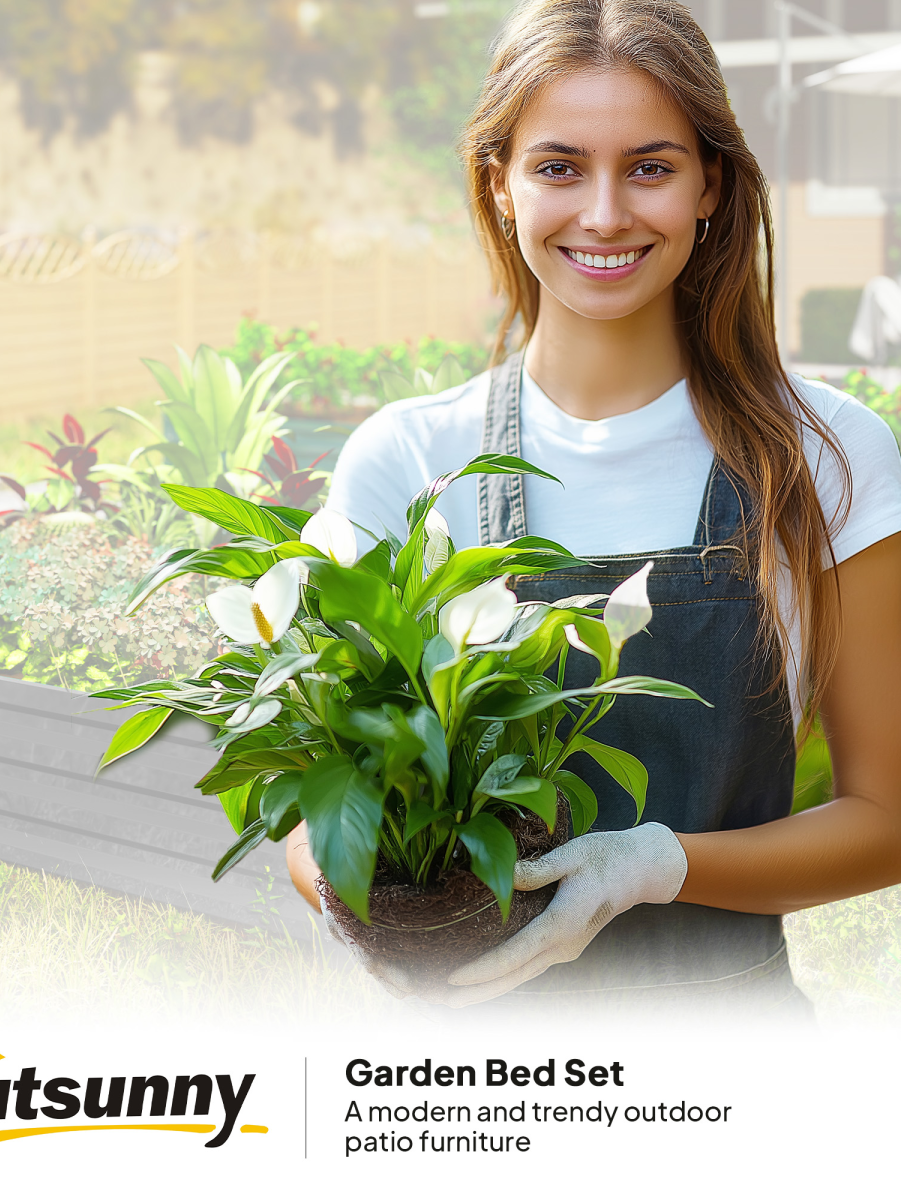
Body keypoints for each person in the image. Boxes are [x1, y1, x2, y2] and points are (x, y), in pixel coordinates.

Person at [284, 0, 901, 1013]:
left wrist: (660, 865)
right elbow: (321, 822)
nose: (606, 214)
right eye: (560, 167)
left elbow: (886, 821)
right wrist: (383, 921)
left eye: (650, 167)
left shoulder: (822, 458)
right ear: (502, 183)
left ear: (710, 184)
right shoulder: (412, 459)